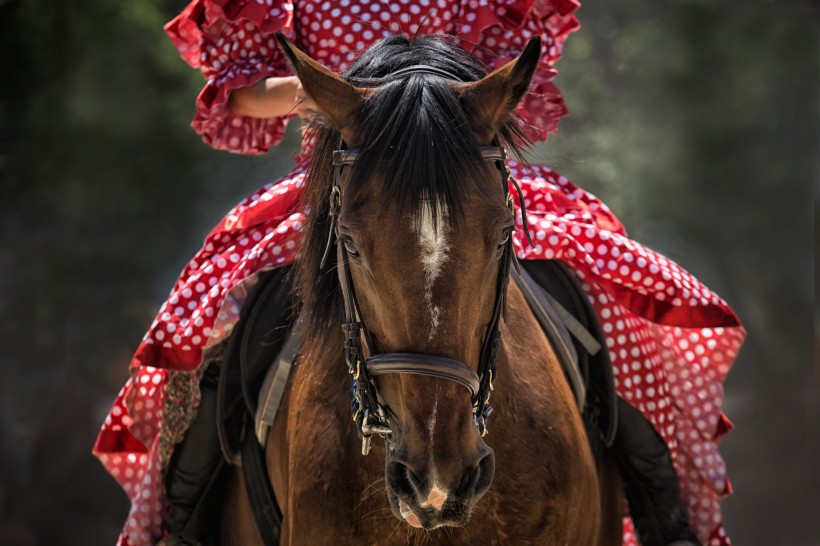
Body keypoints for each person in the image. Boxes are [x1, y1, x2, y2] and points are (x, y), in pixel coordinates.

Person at [93, 1, 745, 545]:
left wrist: (436, 94)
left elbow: (519, 76)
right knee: (216, 323)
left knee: (608, 295)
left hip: (458, 171)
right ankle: (181, 516)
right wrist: (343, 95)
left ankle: (663, 509)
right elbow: (241, 93)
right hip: (346, 179)